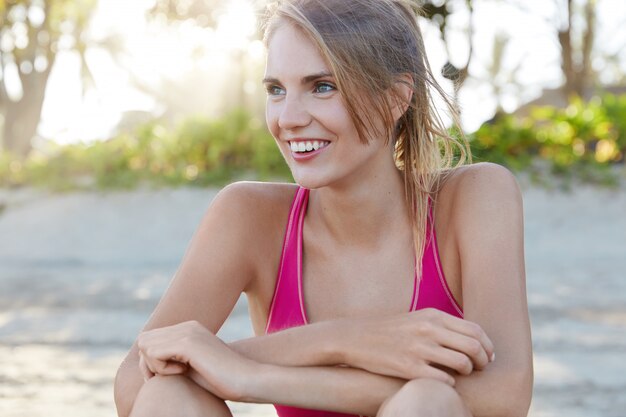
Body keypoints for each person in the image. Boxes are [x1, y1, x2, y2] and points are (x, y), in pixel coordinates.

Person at [114, 0, 533, 416]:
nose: (289, 118)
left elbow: (504, 394)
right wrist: (346, 340)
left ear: (395, 99)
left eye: (322, 86)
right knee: (168, 395)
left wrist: (249, 376)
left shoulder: (474, 196)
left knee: (427, 401)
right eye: (276, 90)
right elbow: (136, 383)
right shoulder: (249, 216)